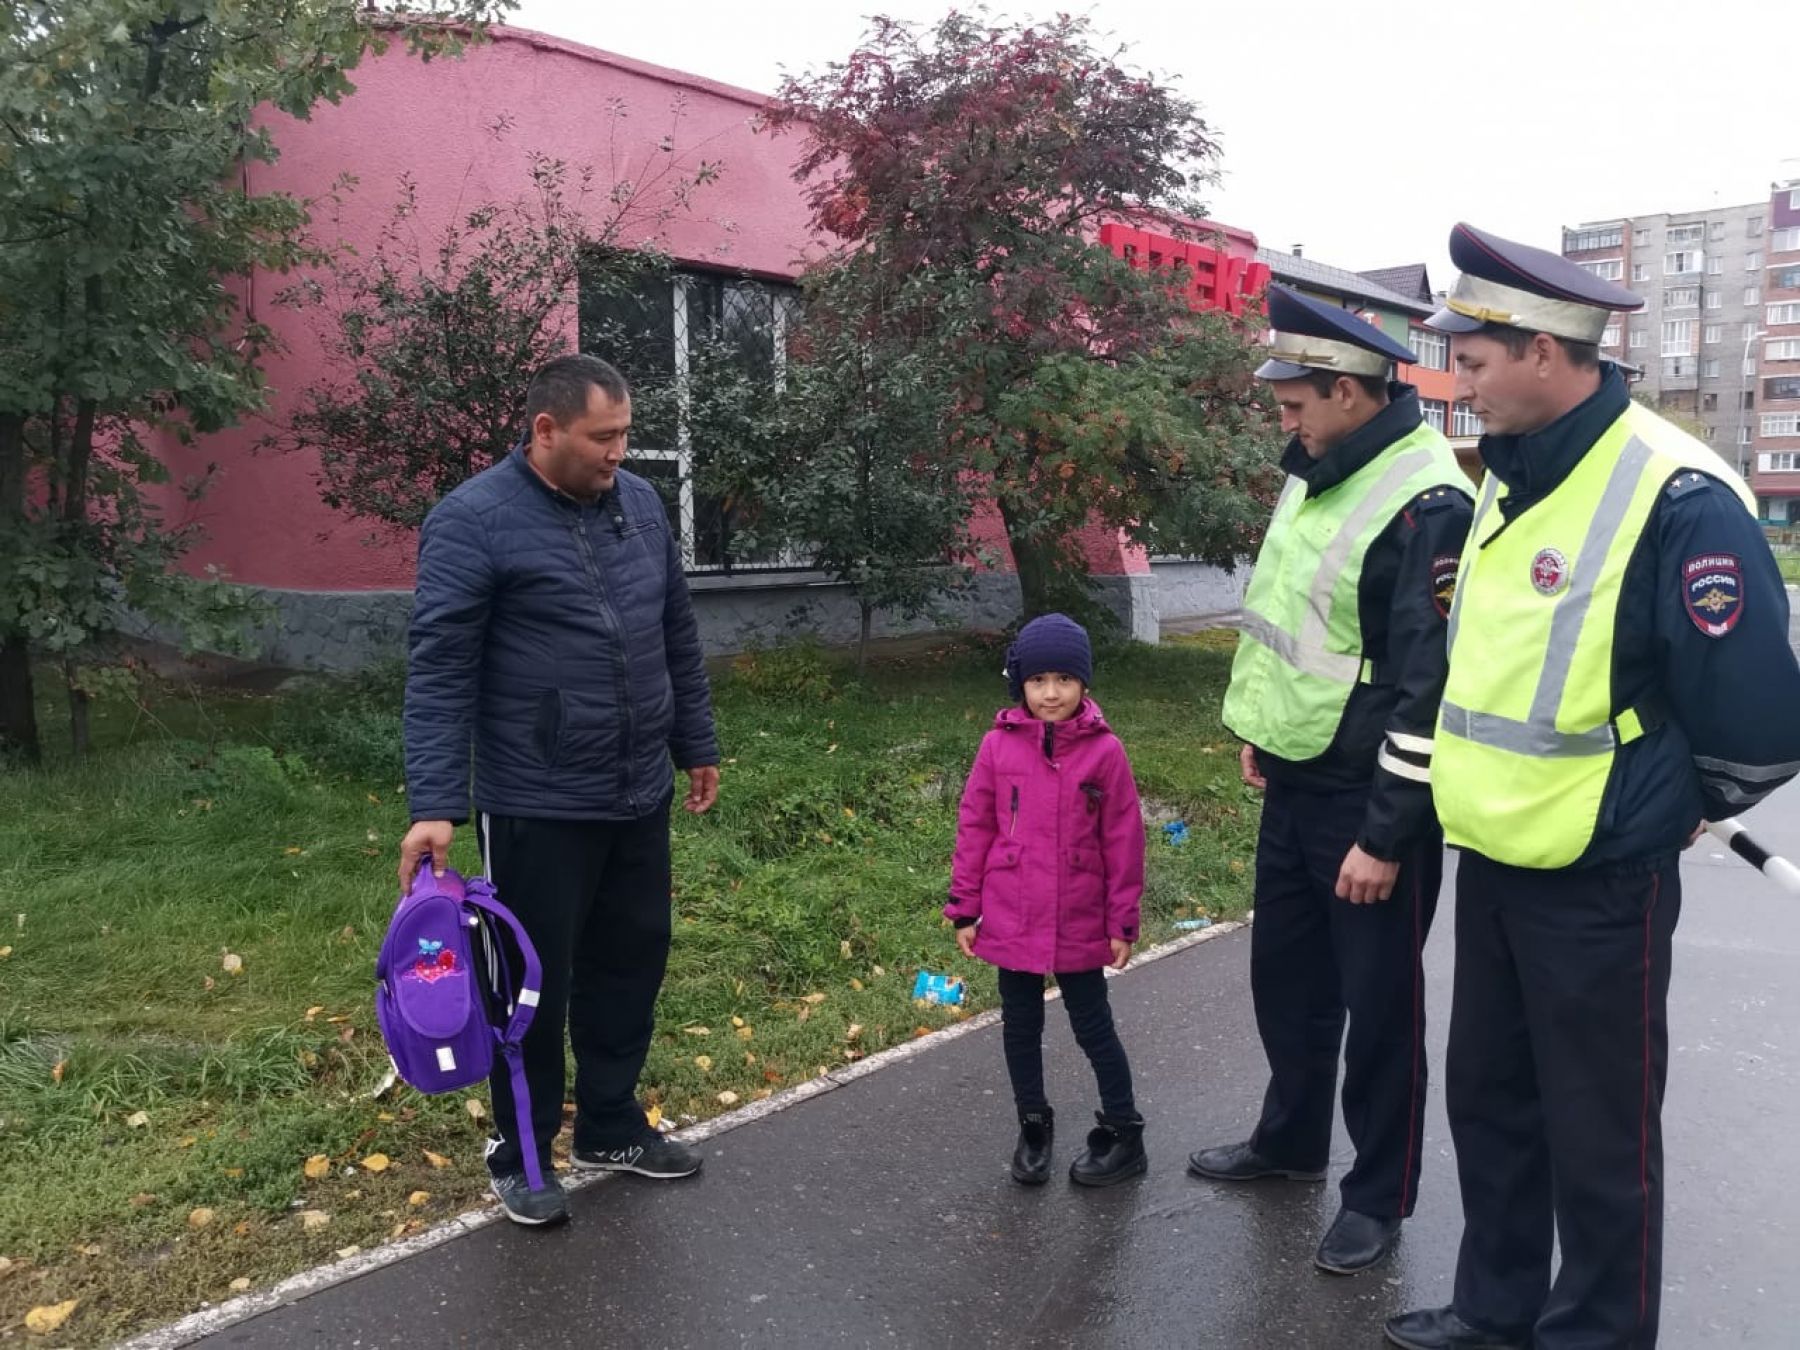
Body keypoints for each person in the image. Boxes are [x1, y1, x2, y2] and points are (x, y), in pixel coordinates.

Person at [1385, 224, 1800, 1350]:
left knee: (1601, 1133)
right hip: (1500, 862)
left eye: (1472, 360)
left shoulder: (1678, 494)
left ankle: (1596, 1333)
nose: (1458, 382)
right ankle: (1496, 1306)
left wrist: (1665, 806)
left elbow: (1758, 713)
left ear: (1546, 353)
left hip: (1603, 876)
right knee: (1494, 1106)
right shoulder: (1509, 483)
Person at [1187, 285, 1474, 1276]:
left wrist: (1387, 833)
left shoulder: (1425, 502)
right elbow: (1297, 623)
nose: (1284, 421)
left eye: (1295, 402)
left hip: (1369, 803)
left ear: (1350, 391)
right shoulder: (1321, 467)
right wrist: (1263, 732)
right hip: (1298, 774)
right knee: (1288, 983)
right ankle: (1291, 1140)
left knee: (1379, 1005)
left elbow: (1423, 684)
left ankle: (1377, 1198)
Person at [398, 353, 721, 1228]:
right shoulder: (473, 522)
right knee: (532, 982)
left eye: (626, 434)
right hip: (535, 798)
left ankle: (611, 1124)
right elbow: (439, 673)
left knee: (632, 957)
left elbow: (675, 634)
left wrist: (696, 741)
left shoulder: (641, 507)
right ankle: (525, 1149)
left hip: (635, 788)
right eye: (604, 437)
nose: (622, 452)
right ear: (546, 431)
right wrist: (435, 805)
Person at [945, 613, 1149, 1187]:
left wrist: (1122, 921)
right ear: (1020, 685)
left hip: (1081, 918)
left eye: (1064, 679)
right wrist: (965, 906)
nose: (1051, 693)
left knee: (1092, 1025)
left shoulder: (1105, 753)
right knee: (1020, 1023)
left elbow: (1124, 840)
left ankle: (1123, 1129)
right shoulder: (997, 746)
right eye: (1038, 681)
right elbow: (975, 826)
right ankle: (1033, 1124)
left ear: (1084, 684)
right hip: (1011, 914)